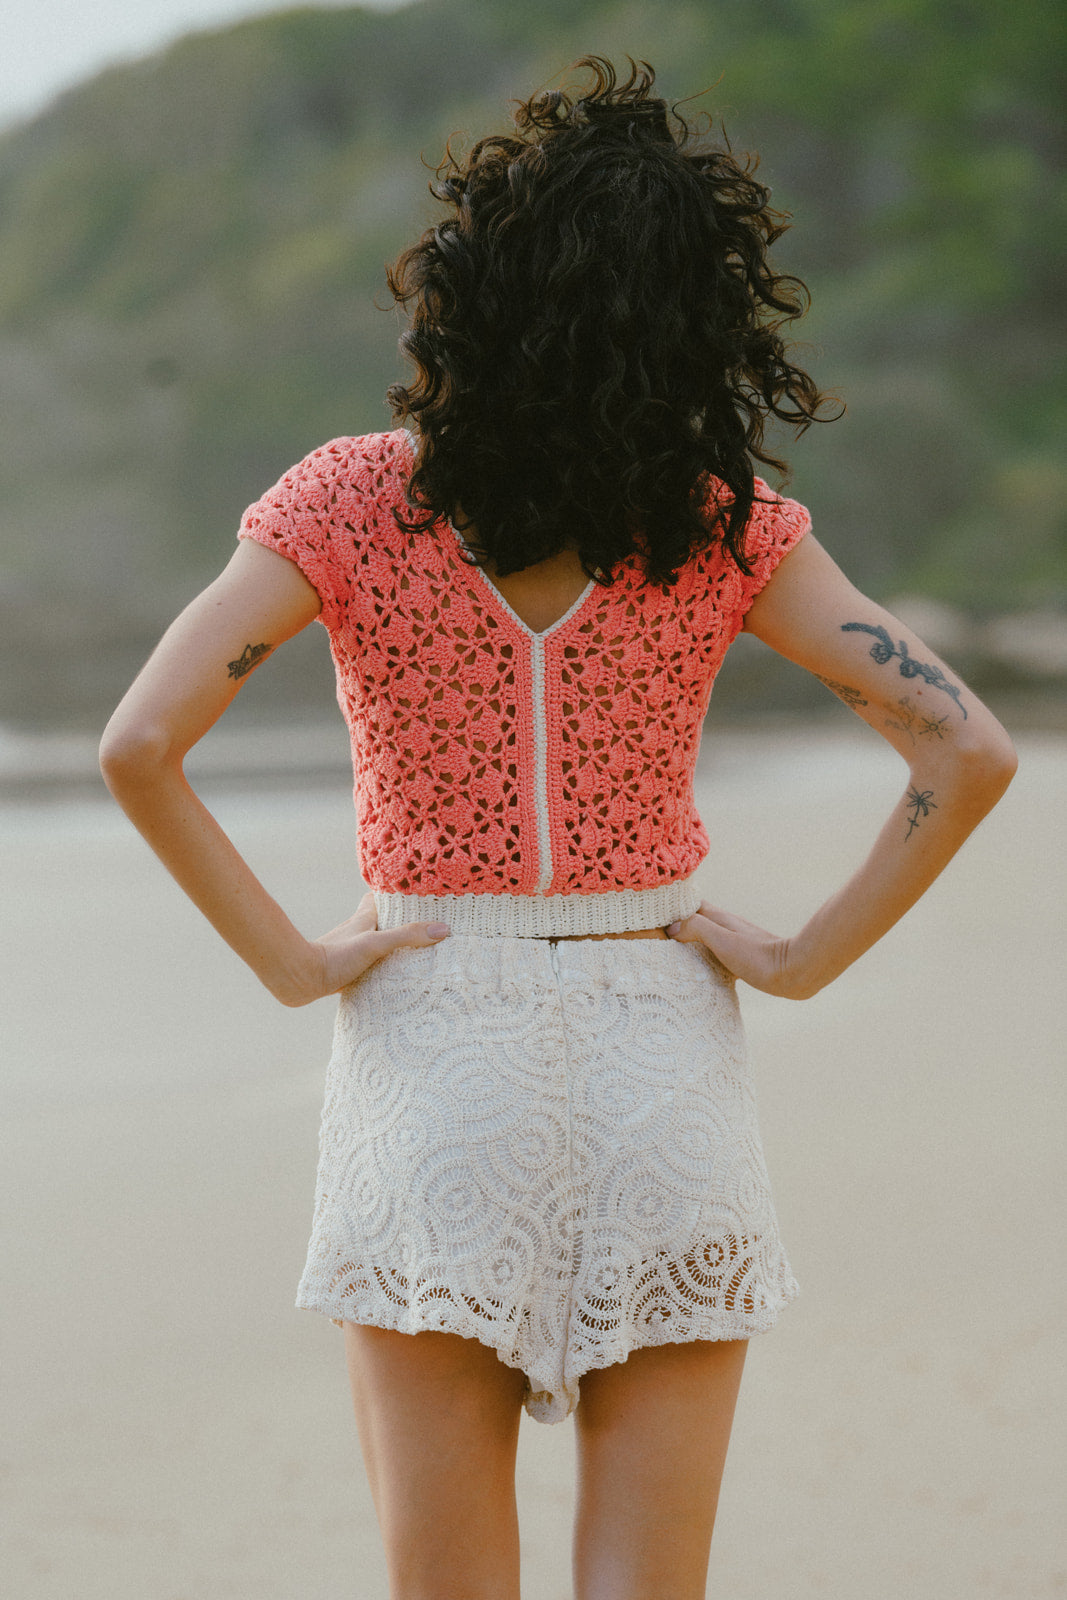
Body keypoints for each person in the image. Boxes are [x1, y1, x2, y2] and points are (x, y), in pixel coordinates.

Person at [99, 56, 1016, 1600]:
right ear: (704, 323)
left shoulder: (348, 501)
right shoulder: (723, 524)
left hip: (429, 1051)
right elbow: (963, 743)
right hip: (659, 1057)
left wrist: (292, 964)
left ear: (472, 288)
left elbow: (138, 743)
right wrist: (799, 959)